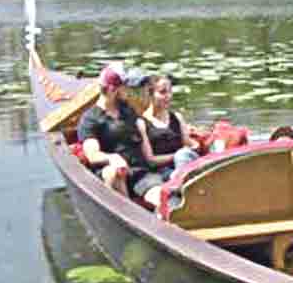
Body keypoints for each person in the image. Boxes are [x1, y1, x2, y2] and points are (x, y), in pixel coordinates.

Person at [77, 63, 150, 197]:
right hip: (114, 172)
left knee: (158, 195)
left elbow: (147, 114)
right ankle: (128, 212)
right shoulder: (90, 119)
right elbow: (92, 155)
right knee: (114, 172)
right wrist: (112, 158)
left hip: (140, 173)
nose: (128, 90)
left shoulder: (127, 108)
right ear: (112, 90)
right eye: (125, 87)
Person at [133, 73, 201, 207]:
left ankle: (181, 182)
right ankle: (180, 187)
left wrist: (195, 146)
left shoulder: (176, 117)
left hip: (184, 164)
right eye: (163, 92)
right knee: (181, 156)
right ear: (150, 94)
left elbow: (190, 144)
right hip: (162, 171)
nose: (168, 96)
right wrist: (176, 156)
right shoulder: (142, 123)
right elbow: (151, 160)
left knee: (184, 156)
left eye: (170, 92)